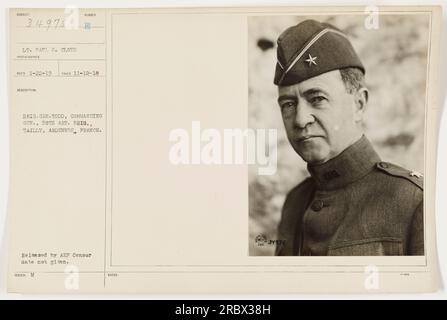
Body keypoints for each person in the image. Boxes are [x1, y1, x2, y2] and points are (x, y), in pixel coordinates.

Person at [273, 20, 424, 256]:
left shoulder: (414, 202)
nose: (301, 120)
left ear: (359, 104)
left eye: (317, 98)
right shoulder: (294, 203)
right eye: (289, 104)